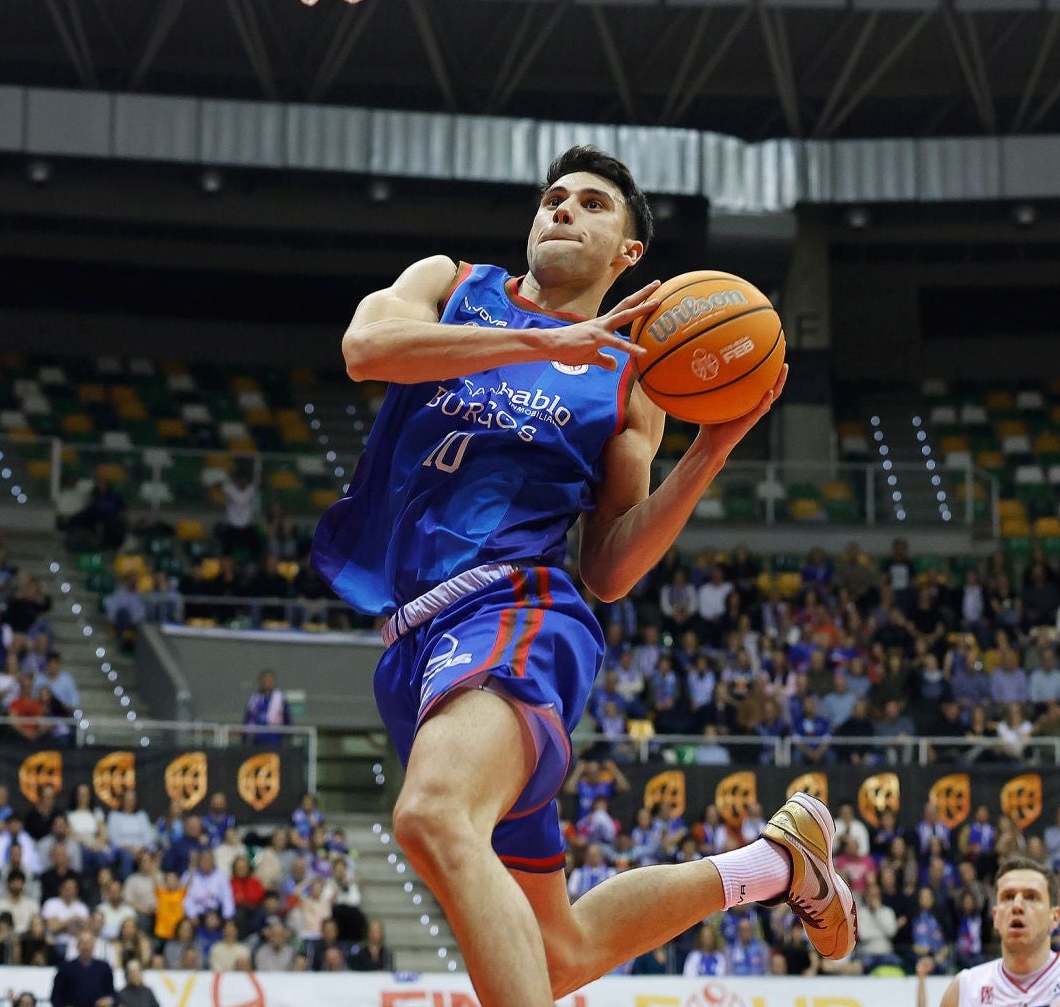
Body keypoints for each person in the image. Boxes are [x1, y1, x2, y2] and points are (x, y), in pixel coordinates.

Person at [312, 146, 842, 1007]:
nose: (563, 210)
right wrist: (540, 339)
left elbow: (609, 567)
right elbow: (366, 347)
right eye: (554, 198)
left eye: (592, 204)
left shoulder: (630, 379)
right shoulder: (453, 284)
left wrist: (711, 451)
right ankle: (772, 866)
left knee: (433, 816)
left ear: (628, 254)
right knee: (556, 954)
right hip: (411, 645)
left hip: (512, 612)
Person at [917, 856, 1060, 1007]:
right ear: (995, 916)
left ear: (1054, 917)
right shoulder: (964, 990)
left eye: (1031, 896)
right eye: (1007, 897)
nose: (1017, 905)